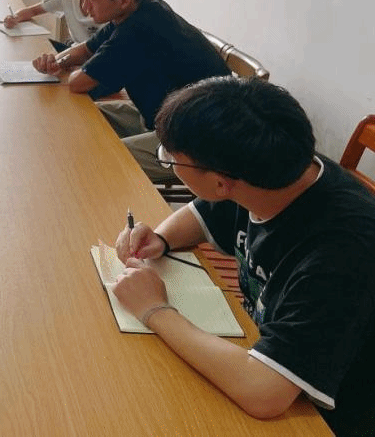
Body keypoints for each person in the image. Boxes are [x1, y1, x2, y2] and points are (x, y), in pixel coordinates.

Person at [114, 77, 375, 436]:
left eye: (173, 161)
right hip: (261, 345)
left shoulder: (343, 253)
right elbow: (200, 213)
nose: (169, 163)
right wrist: (161, 239)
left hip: (322, 409)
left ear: (221, 183)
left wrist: (153, 309)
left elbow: (265, 394)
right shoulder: (277, 170)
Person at [33, 0, 229, 181]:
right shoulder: (139, 10)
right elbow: (86, 49)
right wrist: (57, 61)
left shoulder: (140, 30)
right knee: (78, 118)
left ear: (123, 0)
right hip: (160, 114)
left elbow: (79, 83)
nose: (85, 7)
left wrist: (64, 68)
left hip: (196, 138)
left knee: (96, 159)